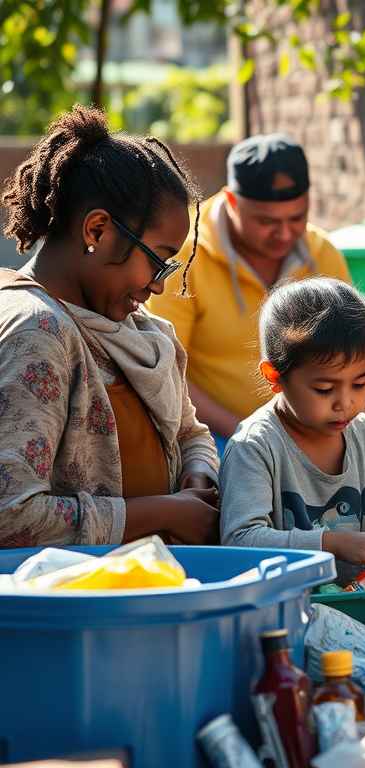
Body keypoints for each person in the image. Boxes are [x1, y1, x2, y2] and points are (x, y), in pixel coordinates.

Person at [0, 105, 220, 548]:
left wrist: (197, 472)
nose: (159, 285)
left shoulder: (141, 330)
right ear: (97, 231)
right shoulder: (36, 331)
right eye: (158, 260)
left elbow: (189, 432)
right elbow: (11, 515)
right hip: (74, 591)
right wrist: (165, 512)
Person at [218, 277, 365, 586]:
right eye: (324, 389)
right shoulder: (255, 446)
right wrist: (332, 543)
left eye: (360, 383)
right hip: (283, 602)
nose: (345, 403)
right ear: (274, 376)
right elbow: (240, 539)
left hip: (355, 600)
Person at [146, 133, 352, 454]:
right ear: (231, 201)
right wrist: (249, 434)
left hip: (310, 435)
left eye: (297, 218)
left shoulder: (323, 253)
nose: (284, 233)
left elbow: (348, 356)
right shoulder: (184, 254)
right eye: (266, 221)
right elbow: (165, 369)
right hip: (211, 435)